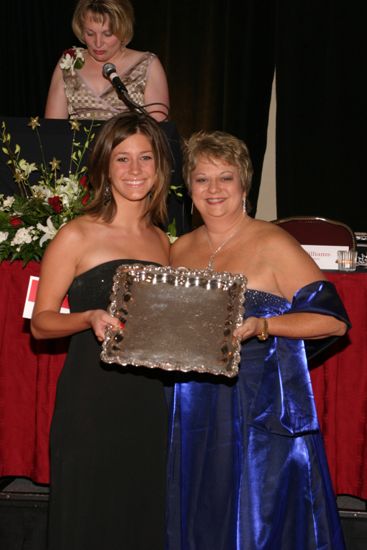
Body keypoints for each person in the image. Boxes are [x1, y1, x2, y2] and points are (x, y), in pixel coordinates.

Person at [166, 130, 350, 549]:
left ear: (244, 184)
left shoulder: (273, 242)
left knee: (258, 517)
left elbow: (333, 322)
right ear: (188, 188)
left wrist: (262, 327)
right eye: (201, 179)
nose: (214, 190)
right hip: (192, 401)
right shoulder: (179, 249)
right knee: (201, 506)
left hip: (258, 402)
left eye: (225, 178)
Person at [31, 111, 172, 550]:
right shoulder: (77, 234)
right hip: (93, 398)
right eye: (122, 159)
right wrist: (88, 318)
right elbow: (40, 323)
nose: (134, 170)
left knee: (142, 514)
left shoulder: (163, 241)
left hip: (152, 399)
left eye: (145, 158)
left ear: (159, 168)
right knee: (90, 516)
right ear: (105, 167)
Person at [45, 0, 169, 121]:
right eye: (90, 33)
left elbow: (158, 133)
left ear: (123, 29)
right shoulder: (69, 62)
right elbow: (53, 131)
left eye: (108, 34)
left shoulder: (147, 65)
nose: (98, 43)